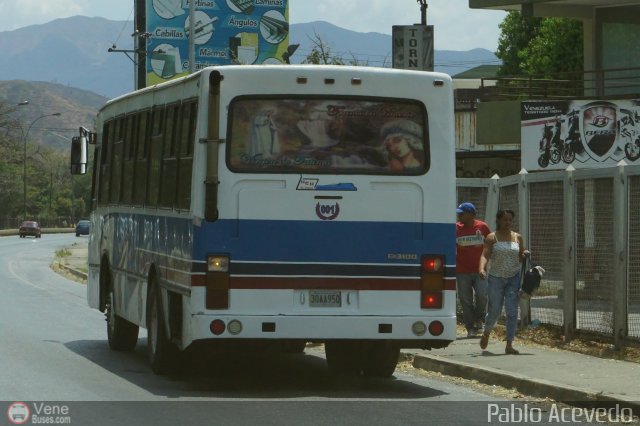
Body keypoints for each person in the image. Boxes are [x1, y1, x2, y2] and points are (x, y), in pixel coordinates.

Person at [478, 209, 528, 355]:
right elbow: (485, 255)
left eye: (510, 220)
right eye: (504, 219)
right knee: (495, 310)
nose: (507, 222)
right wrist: (482, 269)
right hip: (496, 278)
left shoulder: (517, 237)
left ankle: (509, 344)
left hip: (513, 278)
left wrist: (524, 254)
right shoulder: (492, 237)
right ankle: (487, 332)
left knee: (512, 311)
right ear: (498, 220)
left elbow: (520, 255)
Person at [455, 202, 490, 338]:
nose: (459, 215)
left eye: (462, 213)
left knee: (482, 296)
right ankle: (471, 327)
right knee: (465, 300)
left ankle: (478, 318)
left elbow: (490, 244)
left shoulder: (482, 227)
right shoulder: (456, 228)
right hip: (462, 271)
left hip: (479, 270)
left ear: (471, 214)